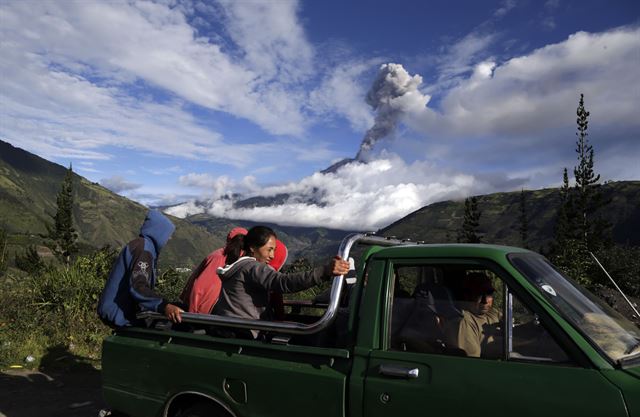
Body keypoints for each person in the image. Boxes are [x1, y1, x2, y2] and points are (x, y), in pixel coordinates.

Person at [212, 225, 350, 338]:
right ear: (253, 248)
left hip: (233, 328)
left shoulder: (240, 267)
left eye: (274, 250)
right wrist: (324, 271)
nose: (272, 256)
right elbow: (283, 282)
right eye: (269, 250)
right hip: (244, 332)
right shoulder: (253, 267)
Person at [97, 210, 183, 327]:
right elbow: (138, 287)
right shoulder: (143, 249)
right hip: (120, 314)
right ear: (158, 231)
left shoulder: (143, 246)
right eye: (167, 234)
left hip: (122, 312)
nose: (169, 239)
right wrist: (164, 305)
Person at [180, 227, 248, 314]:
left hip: (203, 311)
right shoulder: (223, 257)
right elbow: (202, 288)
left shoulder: (222, 256)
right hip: (205, 313)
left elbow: (200, 288)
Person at [445, 272, 502, 358]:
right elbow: (473, 364)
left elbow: (514, 332)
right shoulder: (465, 322)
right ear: (467, 296)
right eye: (479, 294)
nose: (485, 301)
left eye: (489, 294)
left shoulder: (492, 312)